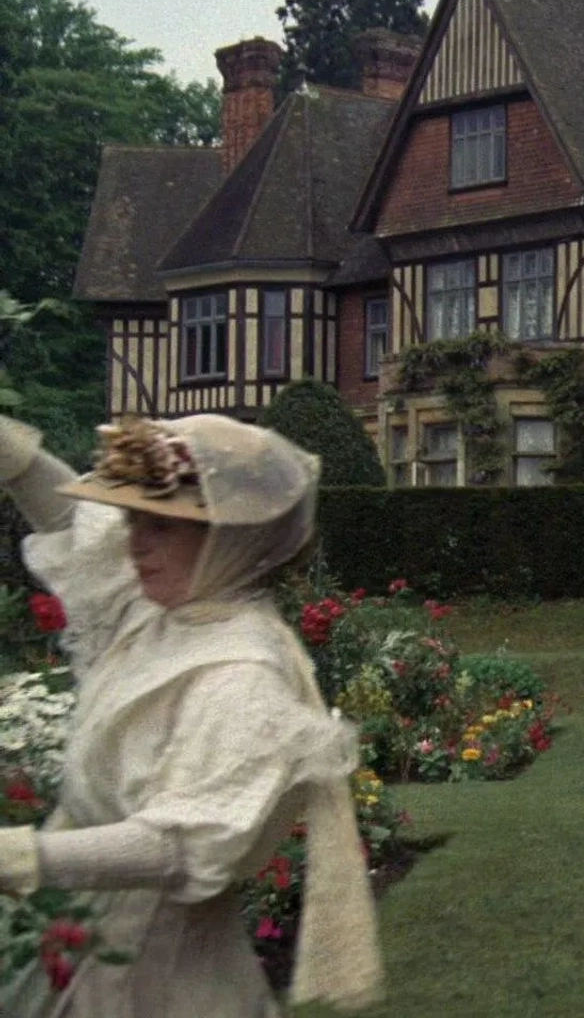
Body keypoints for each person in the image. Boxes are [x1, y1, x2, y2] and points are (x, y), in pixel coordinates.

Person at [0, 413, 382, 1015]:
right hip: (79, 951)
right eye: (133, 520)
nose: (134, 545)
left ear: (227, 540)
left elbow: (179, 843)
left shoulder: (242, 672)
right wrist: (12, 452)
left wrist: (20, 858)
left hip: (163, 987)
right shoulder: (168, 612)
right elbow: (73, 522)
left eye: (163, 527)